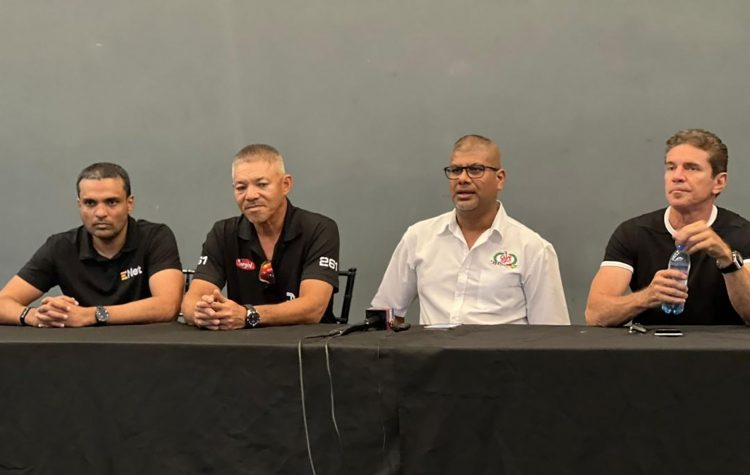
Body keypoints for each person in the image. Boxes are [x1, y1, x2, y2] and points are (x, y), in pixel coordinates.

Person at [371, 134, 570, 325]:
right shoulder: (418, 237)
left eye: (475, 170)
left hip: (501, 359)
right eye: (456, 170)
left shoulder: (533, 249)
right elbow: (386, 314)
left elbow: (551, 334)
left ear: (500, 179)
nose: (463, 179)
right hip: (432, 358)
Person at [586, 129, 750, 326]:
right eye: (671, 167)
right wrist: (647, 296)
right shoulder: (633, 233)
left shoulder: (742, 233)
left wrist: (727, 258)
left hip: (723, 354)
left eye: (691, 168)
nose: (677, 176)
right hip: (652, 352)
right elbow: (595, 315)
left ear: (718, 182)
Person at [0, 163, 183, 327]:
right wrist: (34, 316)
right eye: (90, 203)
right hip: (81, 354)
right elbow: (3, 302)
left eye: (112, 202)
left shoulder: (155, 237)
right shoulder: (61, 246)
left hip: (147, 352)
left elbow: (168, 306)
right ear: (80, 205)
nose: (101, 213)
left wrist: (92, 315)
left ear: (129, 204)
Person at [181, 144, 339, 330]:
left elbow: (314, 308)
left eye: (262, 184)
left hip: (307, 348)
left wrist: (248, 315)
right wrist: (202, 314)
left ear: (285, 184)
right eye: (241, 187)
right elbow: (190, 302)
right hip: (244, 349)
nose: (250, 195)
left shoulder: (319, 229)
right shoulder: (223, 232)